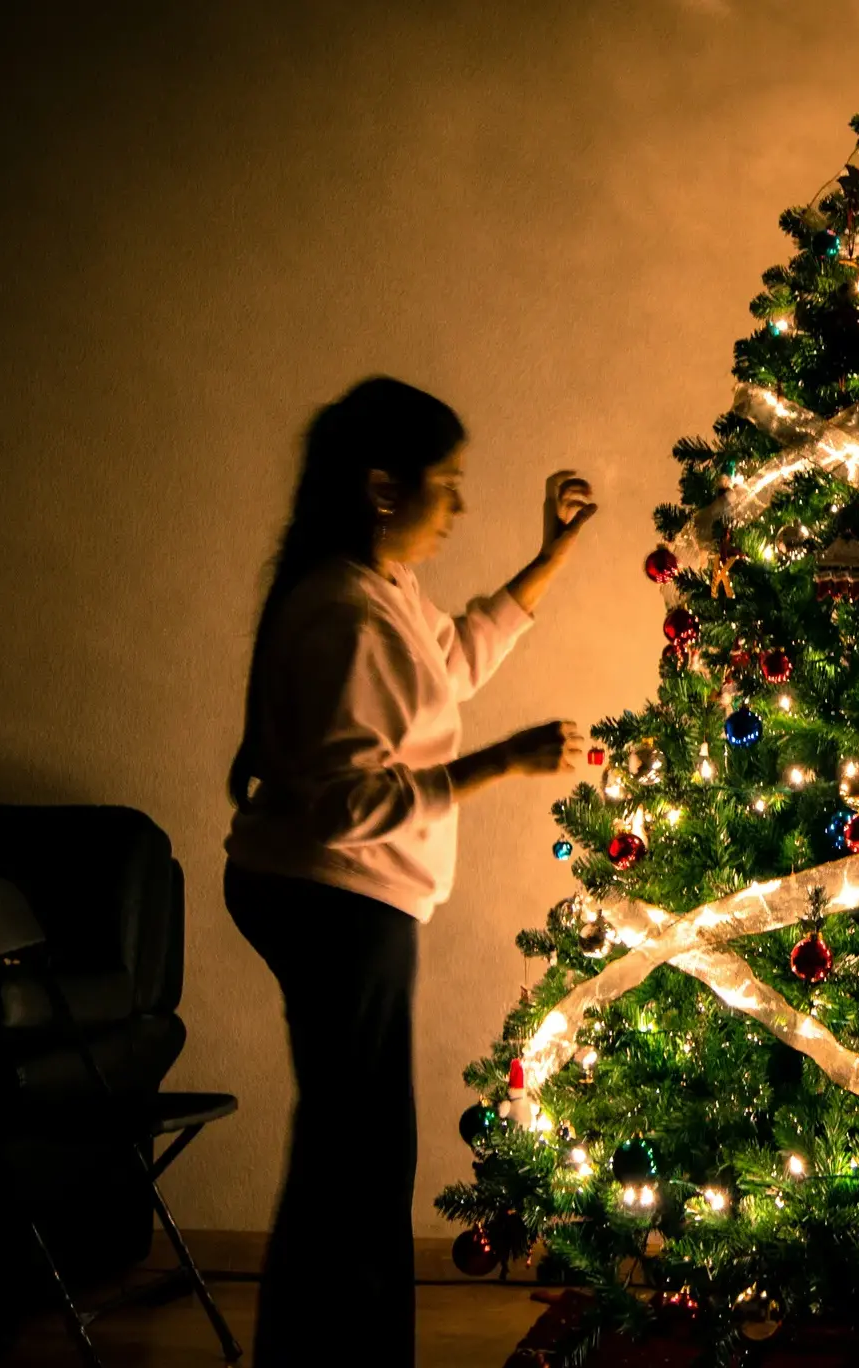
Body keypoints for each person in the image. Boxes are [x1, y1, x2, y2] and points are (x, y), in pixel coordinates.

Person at [221, 376, 594, 1364]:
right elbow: (348, 807)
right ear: (384, 488)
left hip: (342, 897)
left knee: (350, 1151)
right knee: (358, 1160)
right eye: (449, 482)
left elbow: (456, 657)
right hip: (334, 899)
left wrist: (550, 557)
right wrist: (499, 762)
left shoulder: (380, 593)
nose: (459, 507)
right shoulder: (343, 614)